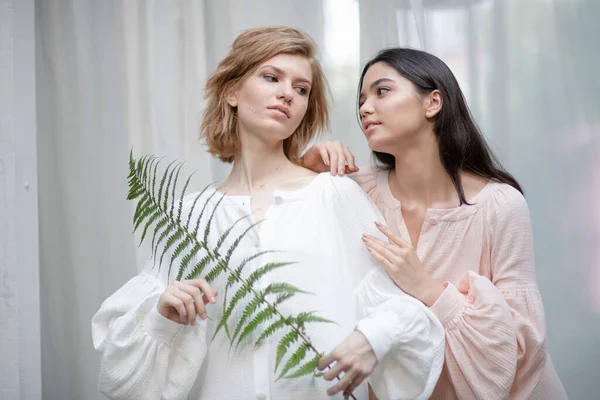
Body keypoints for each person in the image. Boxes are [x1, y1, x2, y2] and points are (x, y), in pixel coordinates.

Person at [91, 28, 444, 400]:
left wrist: (371, 340)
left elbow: (405, 313)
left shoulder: (333, 194)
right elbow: (122, 380)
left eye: (301, 88)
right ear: (231, 92)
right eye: (271, 77)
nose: (287, 93)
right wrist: (162, 317)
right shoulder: (186, 217)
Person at [301, 47, 568, 399]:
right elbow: (287, 219)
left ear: (433, 103)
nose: (365, 108)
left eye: (382, 91)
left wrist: (427, 288)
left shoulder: (500, 206)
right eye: (361, 99)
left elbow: (521, 348)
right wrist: (308, 163)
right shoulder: (356, 190)